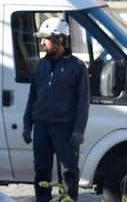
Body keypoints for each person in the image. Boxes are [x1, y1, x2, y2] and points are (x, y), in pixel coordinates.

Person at [23, 17, 89, 202]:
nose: (42, 43)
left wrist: (79, 130)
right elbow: (32, 98)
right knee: (41, 171)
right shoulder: (40, 65)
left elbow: (83, 102)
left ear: (59, 39)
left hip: (65, 128)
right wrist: (27, 125)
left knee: (68, 172)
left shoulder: (77, 67)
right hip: (42, 127)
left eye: (46, 38)